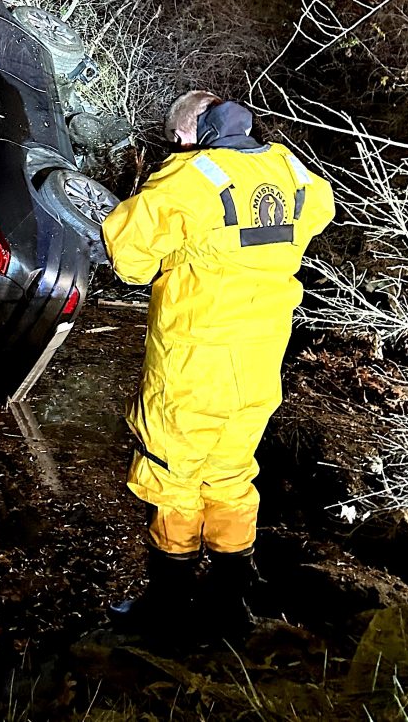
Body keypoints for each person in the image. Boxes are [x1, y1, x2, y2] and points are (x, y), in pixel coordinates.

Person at [101, 91, 335, 639]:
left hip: (194, 361)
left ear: (186, 135)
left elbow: (129, 259)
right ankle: (230, 606)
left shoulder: (190, 176)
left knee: (172, 476)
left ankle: (168, 608)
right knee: (231, 473)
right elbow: (320, 209)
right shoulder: (289, 169)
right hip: (260, 360)